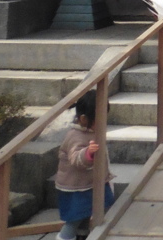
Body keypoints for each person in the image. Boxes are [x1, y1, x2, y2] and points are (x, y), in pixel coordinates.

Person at [54, 90, 114, 240]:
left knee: (86, 217)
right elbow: (75, 158)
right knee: (74, 220)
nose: (102, 122)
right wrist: (88, 153)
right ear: (83, 119)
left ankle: (83, 236)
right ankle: (64, 237)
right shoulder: (75, 136)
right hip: (76, 187)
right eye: (98, 119)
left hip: (92, 182)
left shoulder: (93, 131)